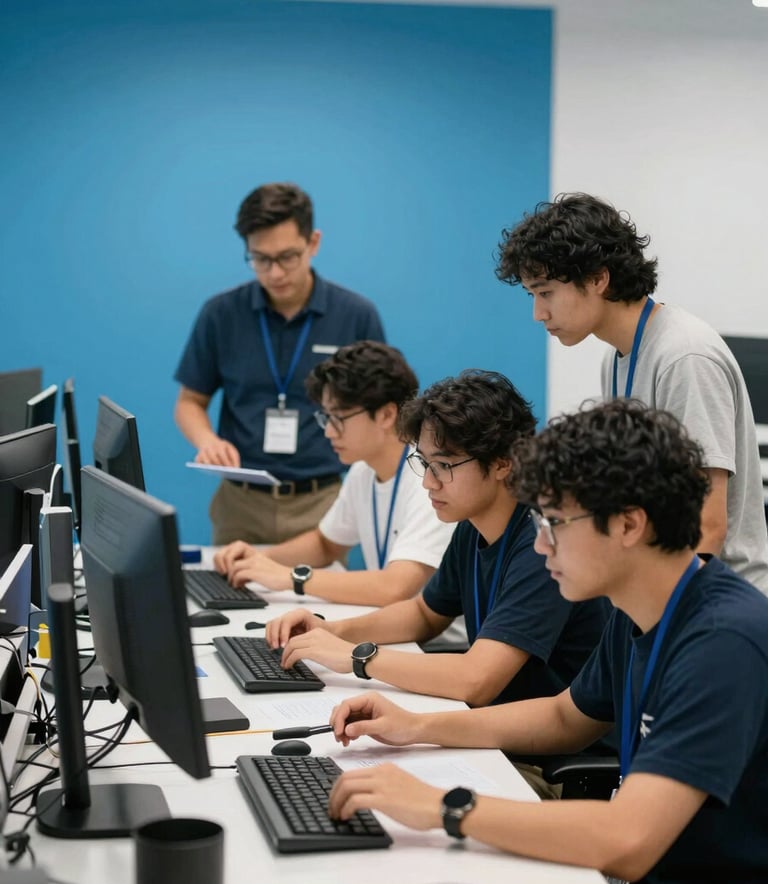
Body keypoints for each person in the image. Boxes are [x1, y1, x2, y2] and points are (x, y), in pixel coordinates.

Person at [327, 400, 768, 883]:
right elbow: (564, 717)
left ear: (628, 524)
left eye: (555, 523)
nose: (541, 545)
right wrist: (416, 725)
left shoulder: (723, 642)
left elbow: (629, 840)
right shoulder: (639, 609)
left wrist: (443, 807)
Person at [265, 370, 609, 708]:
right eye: (424, 463)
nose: (429, 482)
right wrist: (333, 631)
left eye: (444, 465)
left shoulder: (543, 543)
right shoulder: (473, 525)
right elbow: (425, 614)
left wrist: (358, 657)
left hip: (542, 740)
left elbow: (477, 681)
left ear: (503, 463)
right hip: (497, 721)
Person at [496, 192, 768, 593]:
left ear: (597, 279)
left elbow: (707, 525)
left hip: (718, 598)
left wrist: (664, 619)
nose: (539, 313)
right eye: (532, 295)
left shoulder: (684, 356)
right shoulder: (617, 358)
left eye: (546, 291)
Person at [174, 182, 385, 545]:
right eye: (260, 259)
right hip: (239, 502)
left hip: (322, 500)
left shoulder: (356, 316)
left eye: (288, 257)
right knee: (228, 582)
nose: (274, 273)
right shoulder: (221, 314)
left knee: (317, 585)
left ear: (313, 243)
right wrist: (207, 440)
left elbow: (382, 411)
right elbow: (189, 402)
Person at [213, 341, 454, 606]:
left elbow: (395, 588)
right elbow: (326, 544)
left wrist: (292, 578)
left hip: (438, 633)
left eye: (339, 418)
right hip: (394, 621)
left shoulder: (429, 478)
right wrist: (260, 558)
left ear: (386, 415)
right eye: (326, 417)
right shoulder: (363, 470)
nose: (328, 431)